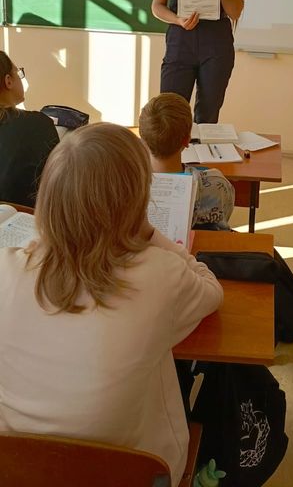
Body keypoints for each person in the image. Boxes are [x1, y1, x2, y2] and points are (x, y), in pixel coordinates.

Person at [0, 123, 223, 487]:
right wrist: (150, 233)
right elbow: (212, 291)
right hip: (136, 472)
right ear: (137, 202)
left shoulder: (6, 270)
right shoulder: (159, 273)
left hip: (19, 471)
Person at [139, 92, 235, 231]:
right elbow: (224, 216)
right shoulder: (217, 184)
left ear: (142, 141)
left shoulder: (128, 185)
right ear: (187, 139)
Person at [0, 51, 59, 207]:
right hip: (27, 216)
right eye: (19, 73)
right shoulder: (38, 124)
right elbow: (59, 183)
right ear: (8, 81)